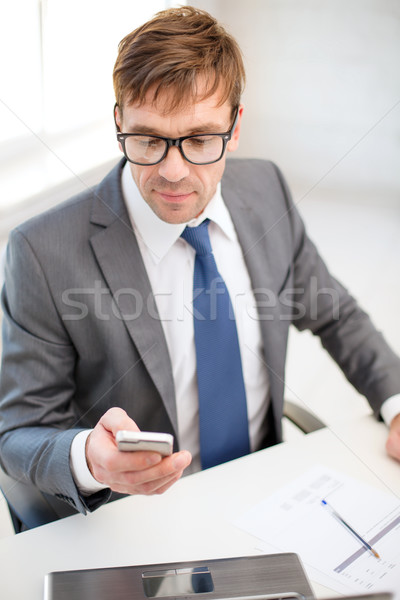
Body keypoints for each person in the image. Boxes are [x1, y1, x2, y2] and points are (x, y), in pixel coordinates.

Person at [0, 6, 400, 520]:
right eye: (147, 138)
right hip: (138, 519)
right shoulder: (41, 251)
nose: (172, 171)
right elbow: (19, 429)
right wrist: (87, 460)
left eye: (199, 140)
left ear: (235, 127)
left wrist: (394, 400)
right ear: (118, 120)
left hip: (268, 492)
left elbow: (336, 314)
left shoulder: (267, 189)